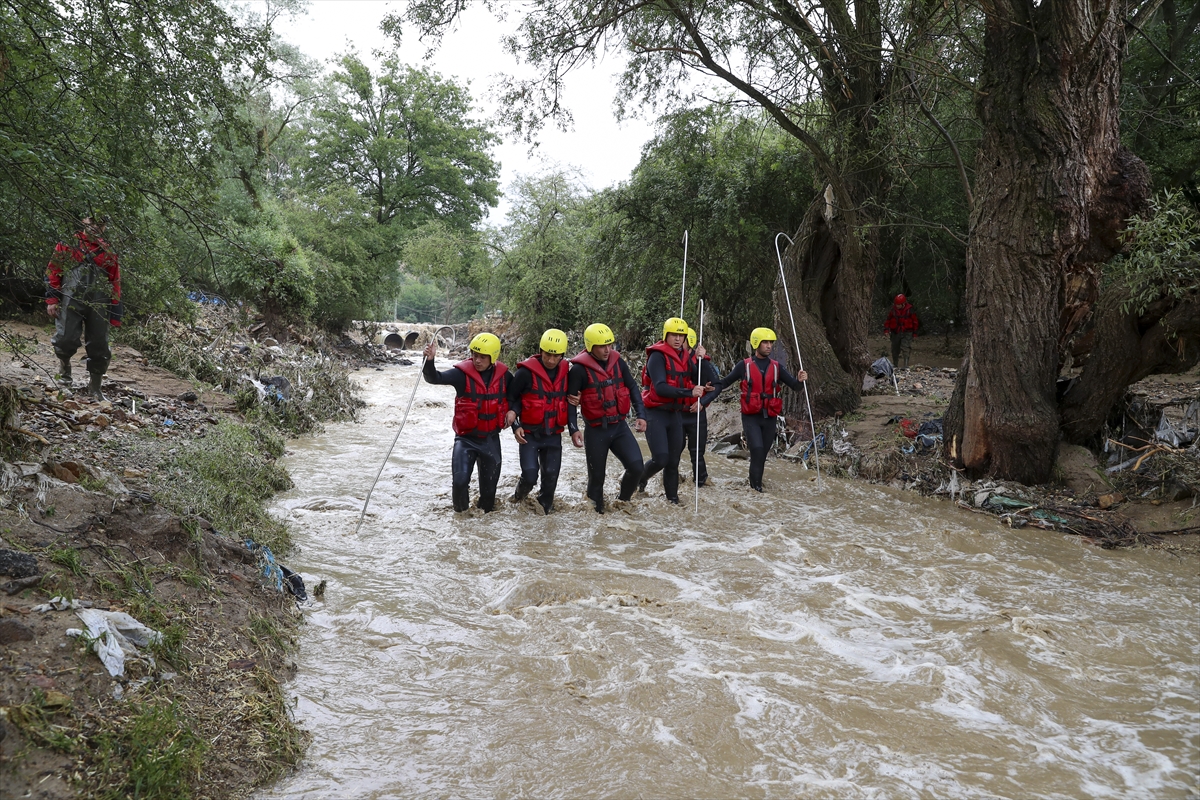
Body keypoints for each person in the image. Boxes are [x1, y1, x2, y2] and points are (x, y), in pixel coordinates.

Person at [702, 327, 808, 493]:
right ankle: (756, 489)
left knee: (763, 453)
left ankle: (754, 483)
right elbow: (724, 383)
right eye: (765, 342)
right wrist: (711, 385)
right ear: (756, 344)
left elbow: (794, 386)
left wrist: (800, 380)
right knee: (757, 449)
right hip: (751, 416)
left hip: (769, 416)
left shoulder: (777, 367)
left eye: (770, 342)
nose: (769, 346)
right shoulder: (743, 366)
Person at [423, 332, 509, 513]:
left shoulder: (504, 376)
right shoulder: (461, 375)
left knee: (489, 495)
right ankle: (461, 520)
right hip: (466, 440)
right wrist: (429, 361)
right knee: (460, 483)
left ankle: (482, 530)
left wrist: (514, 413)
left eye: (482, 357)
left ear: (493, 357)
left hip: (491, 441)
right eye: (474, 355)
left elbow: (519, 396)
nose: (477, 360)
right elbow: (434, 378)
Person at [566, 323, 647, 513]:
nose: (607, 349)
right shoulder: (578, 370)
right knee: (597, 479)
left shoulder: (618, 362)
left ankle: (622, 503)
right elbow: (571, 401)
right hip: (596, 431)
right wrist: (573, 429)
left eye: (610, 345)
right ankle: (596, 518)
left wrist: (641, 415)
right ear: (590, 346)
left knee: (636, 467)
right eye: (602, 346)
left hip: (619, 427)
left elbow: (633, 388)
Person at [46, 215, 123, 400]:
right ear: (84, 221)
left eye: (101, 224)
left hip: (99, 303)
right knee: (64, 339)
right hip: (69, 300)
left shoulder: (109, 250)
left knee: (100, 345)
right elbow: (53, 271)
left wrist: (115, 313)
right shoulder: (67, 244)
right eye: (93, 221)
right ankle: (65, 378)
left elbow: (115, 282)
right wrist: (52, 300)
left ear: (105, 227)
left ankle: (95, 388)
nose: (96, 226)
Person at [638, 317, 709, 503]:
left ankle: (672, 499)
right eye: (673, 335)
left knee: (673, 461)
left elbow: (703, 377)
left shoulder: (685, 356)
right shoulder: (657, 357)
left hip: (675, 414)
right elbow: (660, 387)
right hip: (656, 413)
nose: (678, 339)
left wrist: (703, 359)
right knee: (661, 458)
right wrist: (689, 391)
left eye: (681, 335)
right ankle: (640, 478)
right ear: (666, 335)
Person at [504, 328, 570, 514]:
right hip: (529, 435)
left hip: (553, 435)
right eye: (547, 354)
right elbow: (511, 400)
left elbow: (573, 396)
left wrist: (577, 397)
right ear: (540, 351)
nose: (550, 360)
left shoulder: (567, 373)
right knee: (530, 476)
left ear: (561, 356)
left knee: (550, 480)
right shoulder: (525, 373)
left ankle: (544, 523)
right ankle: (518, 498)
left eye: (555, 356)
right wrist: (515, 426)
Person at [682, 326, 721, 487]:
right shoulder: (669, 360)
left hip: (697, 412)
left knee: (697, 453)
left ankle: (701, 481)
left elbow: (718, 386)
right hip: (676, 412)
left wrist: (702, 403)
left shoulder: (702, 362)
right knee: (672, 452)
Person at [884, 293, 919, 369]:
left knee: (906, 347)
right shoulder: (893, 310)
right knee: (895, 349)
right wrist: (886, 330)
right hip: (896, 332)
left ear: (903, 304)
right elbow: (888, 320)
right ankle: (895, 365)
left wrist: (915, 333)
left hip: (907, 332)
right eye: (896, 304)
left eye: (899, 304)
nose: (897, 306)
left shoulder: (910, 310)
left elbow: (915, 322)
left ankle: (906, 365)